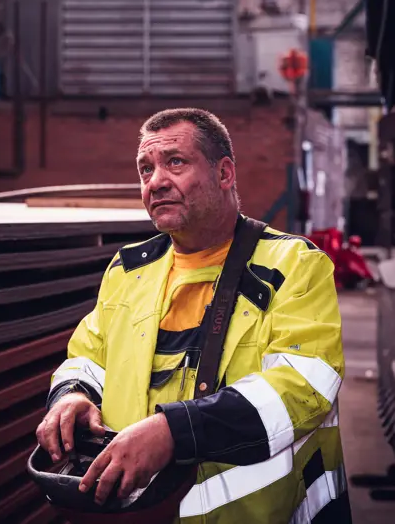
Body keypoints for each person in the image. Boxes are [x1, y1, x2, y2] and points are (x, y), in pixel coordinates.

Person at [36, 108, 351, 523]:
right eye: (145, 169)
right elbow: (88, 357)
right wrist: (73, 394)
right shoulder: (128, 270)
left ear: (224, 174)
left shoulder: (293, 265)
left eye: (175, 162)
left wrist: (174, 431)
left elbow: (302, 385)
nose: (156, 181)